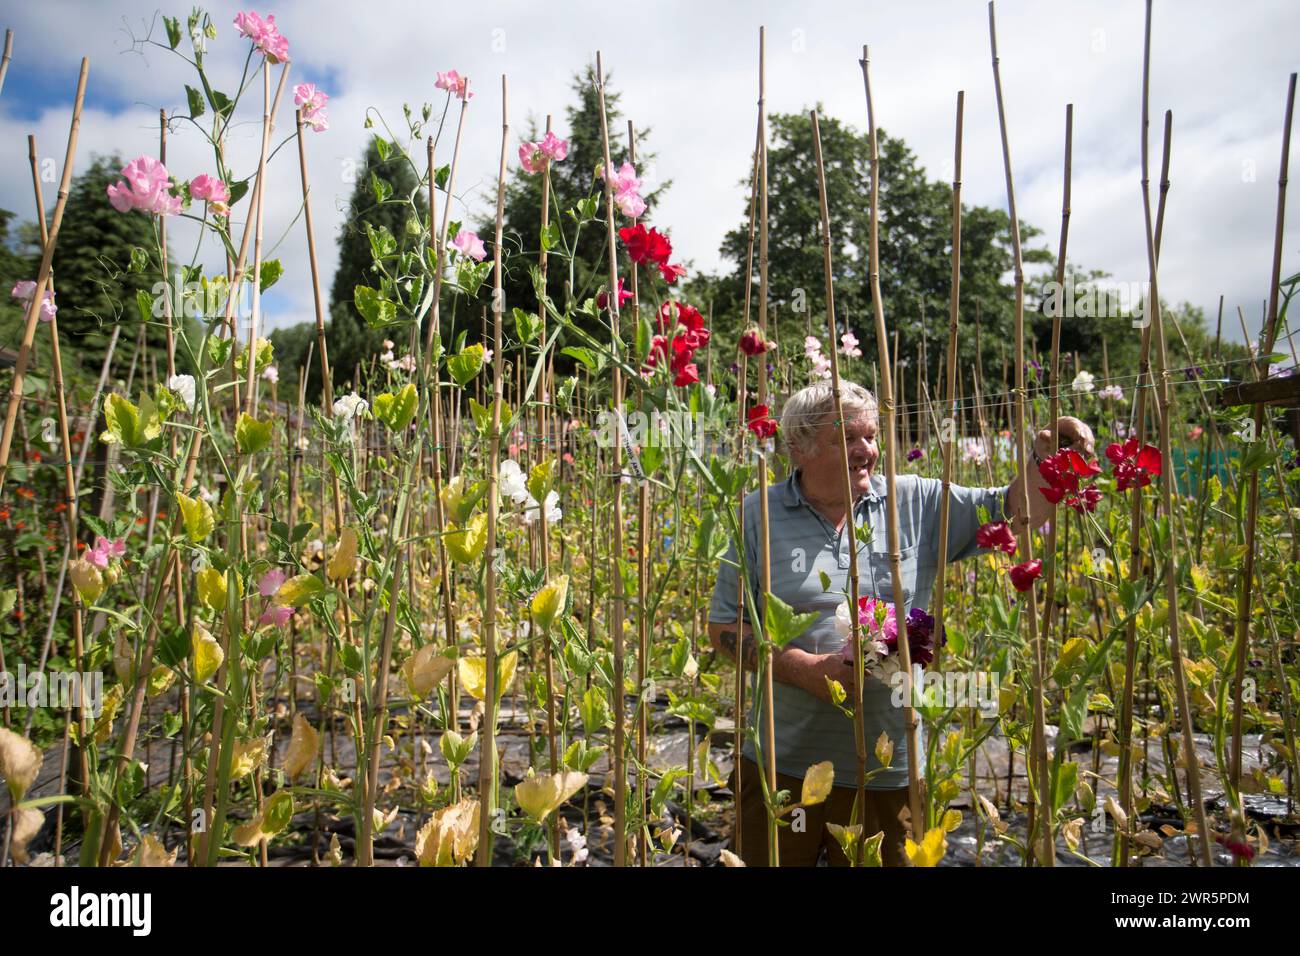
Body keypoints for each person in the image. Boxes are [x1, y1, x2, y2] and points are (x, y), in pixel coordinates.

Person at [707, 380, 1094, 866]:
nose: (867, 449)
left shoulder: (917, 503)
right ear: (799, 448)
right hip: (785, 761)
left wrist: (1050, 457)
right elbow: (725, 626)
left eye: (871, 436)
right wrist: (804, 669)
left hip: (890, 764)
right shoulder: (758, 514)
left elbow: (1015, 510)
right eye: (848, 437)